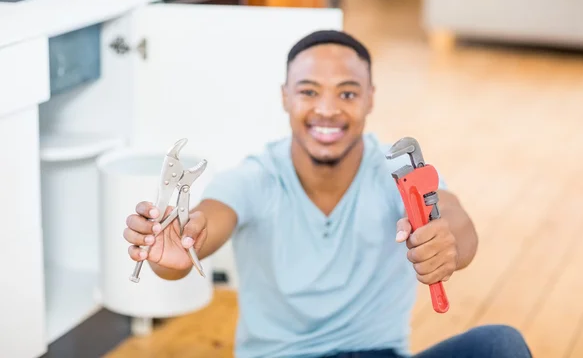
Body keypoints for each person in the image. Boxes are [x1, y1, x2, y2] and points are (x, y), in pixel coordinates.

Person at [123, 30, 532, 358]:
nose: (328, 110)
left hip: (378, 353)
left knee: (500, 345)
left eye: (348, 93)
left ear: (371, 97)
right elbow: (207, 222)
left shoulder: (396, 172)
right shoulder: (255, 178)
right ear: (285, 96)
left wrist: (450, 246)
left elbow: (456, 222)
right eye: (309, 91)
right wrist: (174, 254)